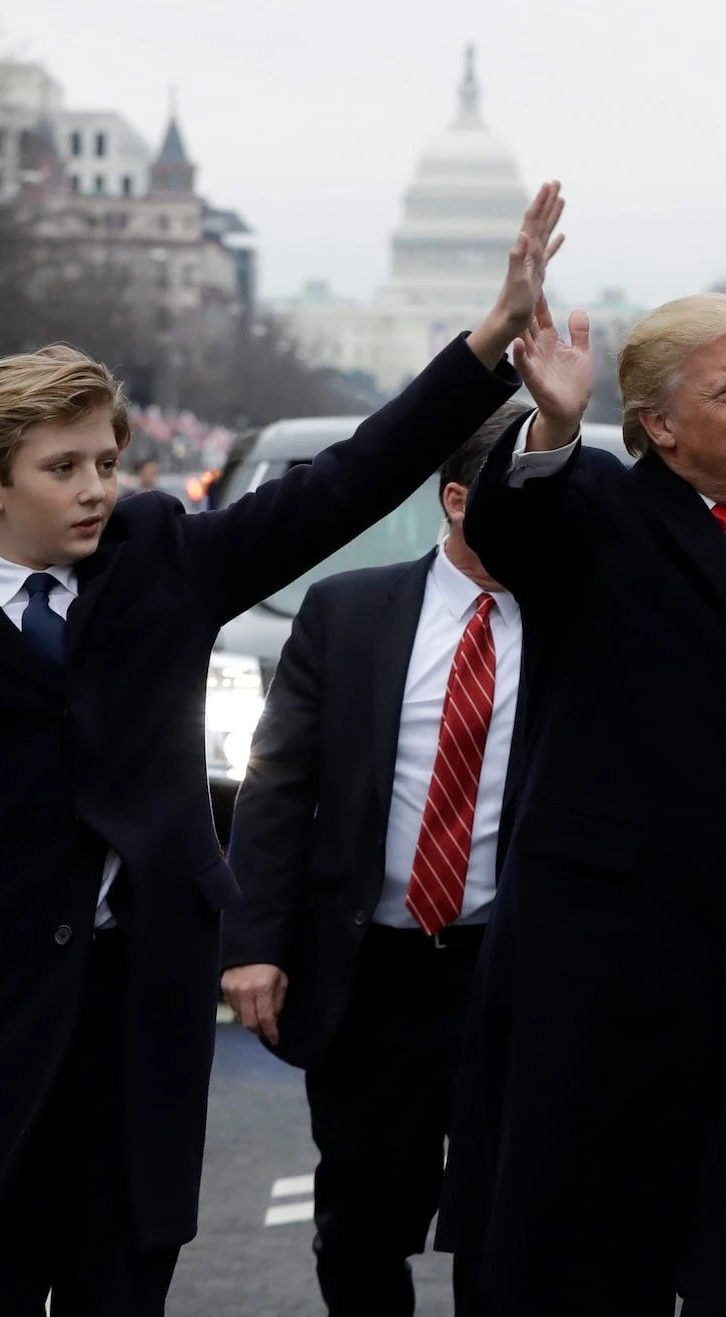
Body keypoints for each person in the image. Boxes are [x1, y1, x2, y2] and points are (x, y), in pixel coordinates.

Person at [0, 182, 564, 1317]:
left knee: (122, 1290)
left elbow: (350, 479)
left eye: (106, 460)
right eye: (65, 468)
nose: (97, 487)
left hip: (142, 1011)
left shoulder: (165, 567)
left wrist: (489, 339)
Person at [442, 293, 726, 1316]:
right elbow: (518, 530)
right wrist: (556, 424)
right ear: (657, 424)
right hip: (609, 990)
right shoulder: (603, 515)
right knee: (590, 1277)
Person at [219, 407, 526, 1316]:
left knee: (505, 1225)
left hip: (508, 977)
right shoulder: (347, 612)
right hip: (372, 975)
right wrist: (253, 942)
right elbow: (276, 788)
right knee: (361, 1225)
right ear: (458, 499)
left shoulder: (577, 625)